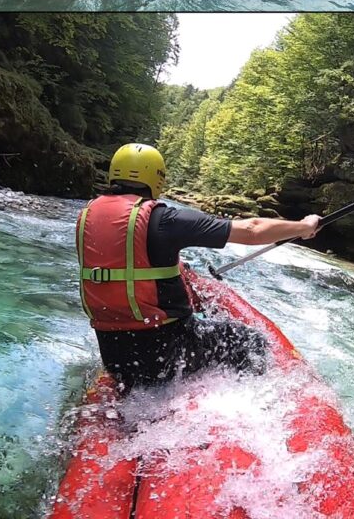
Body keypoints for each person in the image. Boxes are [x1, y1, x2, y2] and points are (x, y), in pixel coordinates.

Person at [75, 143, 320, 391]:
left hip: (114, 356)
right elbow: (252, 229)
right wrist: (304, 226)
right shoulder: (167, 220)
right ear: (156, 178)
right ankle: (251, 397)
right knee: (251, 340)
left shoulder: (86, 216)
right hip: (167, 356)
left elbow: (128, 260)